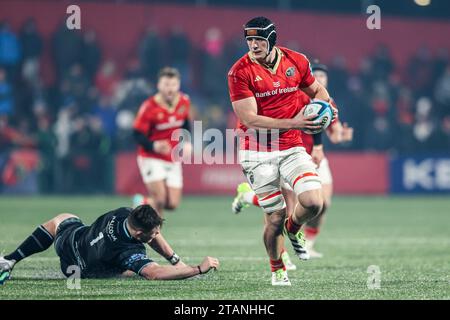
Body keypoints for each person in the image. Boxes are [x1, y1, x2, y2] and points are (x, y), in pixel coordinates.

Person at [227, 16, 334, 286]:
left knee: (313, 202)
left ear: (271, 40)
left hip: (291, 145)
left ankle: (294, 228)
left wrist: (326, 109)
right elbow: (250, 119)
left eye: (258, 40)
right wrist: (296, 122)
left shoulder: (296, 60)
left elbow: (318, 91)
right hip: (257, 150)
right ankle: (277, 269)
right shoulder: (239, 72)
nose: (253, 45)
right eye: (249, 40)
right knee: (274, 217)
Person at [232, 60, 354, 261]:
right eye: (317, 76)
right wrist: (317, 145)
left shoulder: (327, 103)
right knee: (286, 208)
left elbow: (333, 133)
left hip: (314, 157)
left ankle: (308, 242)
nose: (320, 80)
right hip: (289, 153)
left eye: (324, 77)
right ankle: (282, 257)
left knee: (321, 204)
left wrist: (342, 137)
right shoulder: (293, 94)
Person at [0, 204, 219, 285]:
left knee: (62, 218)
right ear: (140, 233)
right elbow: (155, 273)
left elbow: (152, 235)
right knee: (134, 272)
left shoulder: (125, 213)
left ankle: (10, 260)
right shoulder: (128, 251)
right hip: (75, 271)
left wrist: (175, 260)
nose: (157, 236)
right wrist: (196, 269)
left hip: (70, 239)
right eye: (153, 235)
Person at [132, 67, 192, 214]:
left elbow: (185, 123)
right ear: (159, 85)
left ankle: (142, 202)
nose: (170, 89)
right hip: (151, 156)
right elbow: (136, 134)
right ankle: (155, 235)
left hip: (172, 157)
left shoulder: (184, 101)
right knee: (160, 200)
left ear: (178, 85)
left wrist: (187, 141)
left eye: (173, 85)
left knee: (172, 204)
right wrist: (153, 145)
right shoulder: (149, 107)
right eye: (166, 84)